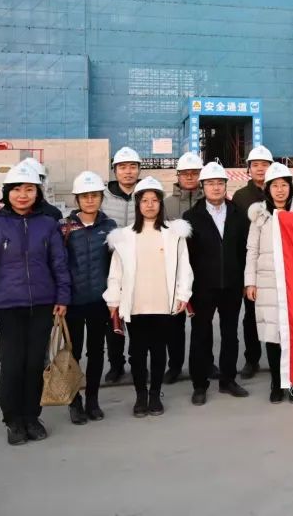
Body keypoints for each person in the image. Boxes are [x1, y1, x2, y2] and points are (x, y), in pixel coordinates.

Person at [0, 162, 70, 445]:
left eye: (29, 189)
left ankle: (31, 417)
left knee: (35, 363)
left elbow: (59, 263)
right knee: (13, 364)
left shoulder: (47, 224)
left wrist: (62, 297)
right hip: (6, 307)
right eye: (16, 189)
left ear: (38, 193)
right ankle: (13, 420)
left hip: (42, 304)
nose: (23, 195)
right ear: (7, 193)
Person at [104, 177, 193, 418]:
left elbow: (184, 267)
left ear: (161, 204)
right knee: (137, 353)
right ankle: (140, 396)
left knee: (158, 351)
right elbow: (116, 272)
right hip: (136, 304)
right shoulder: (124, 236)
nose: (150, 205)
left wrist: (183, 294)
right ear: (138, 204)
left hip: (163, 303)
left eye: (154, 200)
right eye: (145, 200)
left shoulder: (174, 234)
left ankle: (155, 395)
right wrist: (113, 300)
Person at [183, 162, 251, 405]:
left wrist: (244, 280)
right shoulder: (191, 217)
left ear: (225, 185)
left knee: (230, 334)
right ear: (202, 187)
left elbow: (244, 250)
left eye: (220, 183)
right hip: (202, 286)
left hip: (232, 284)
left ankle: (228, 380)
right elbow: (187, 256)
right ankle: (199, 385)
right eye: (210, 183)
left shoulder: (238, 214)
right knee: (201, 335)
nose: (215, 187)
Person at [244, 163, 293, 403]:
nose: (280, 190)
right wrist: (250, 282)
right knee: (273, 335)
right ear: (268, 189)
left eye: (284, 185)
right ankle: (276, 382)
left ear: (291, 187)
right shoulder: (260, 217)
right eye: (275, 186)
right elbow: (252, 250)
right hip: (268, 282)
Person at [60, 171, 116, 425]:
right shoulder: (64, 227)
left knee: (96, 352)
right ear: (77, 199)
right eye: (84, 196)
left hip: (99, 302)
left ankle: (92, 401)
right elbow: (57, 265)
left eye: (94, 195)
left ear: (101, 198)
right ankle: (75, 403)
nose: (90, 200)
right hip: (72, 303)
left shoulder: (110, 227)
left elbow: (117, 265)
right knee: (73, 354)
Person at [231, 145, 276, 380]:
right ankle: (252, 359)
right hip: (250, 262)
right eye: (255, 165)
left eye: (264, 165)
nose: (260, 169)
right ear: (248, 169)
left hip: (274, 264)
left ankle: (279, 359)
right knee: (251, 315)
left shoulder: (279, 191)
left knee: (275, 313)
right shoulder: (240, 197)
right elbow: (237, 234)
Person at [163, 151, 205, 384]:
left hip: (202, 270)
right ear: (178, 175)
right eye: (185, 173)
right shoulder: (166, 205)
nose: (190, 177)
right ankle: (175, 365)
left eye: (194, 173)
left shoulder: (208, 201)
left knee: (202, 323)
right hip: (175, 273)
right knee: (174, 324)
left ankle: (205, 362)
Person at [102, 146, 142, 384]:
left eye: (132, 167)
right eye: (123, 167)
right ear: (115, 170)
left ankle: (137, 362)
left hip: (141, 266)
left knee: (137, 320)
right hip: (111, 266)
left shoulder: (147, 193)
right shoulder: (104, 197)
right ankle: (116, 364)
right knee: (113, 318)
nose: (128, 172)